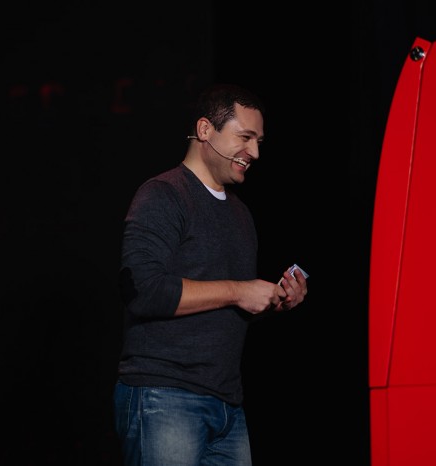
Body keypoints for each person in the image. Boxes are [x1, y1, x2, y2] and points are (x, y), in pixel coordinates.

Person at [113, 83, 309, 466]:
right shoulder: (162, 194)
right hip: (164, 397)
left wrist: (274, 302)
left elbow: (225, 309)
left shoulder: (240, 214)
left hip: (227, 407)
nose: (255, 152)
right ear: (205, 130)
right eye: (245, 137)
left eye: (258, 141)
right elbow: (143, 291)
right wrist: (239, 291)